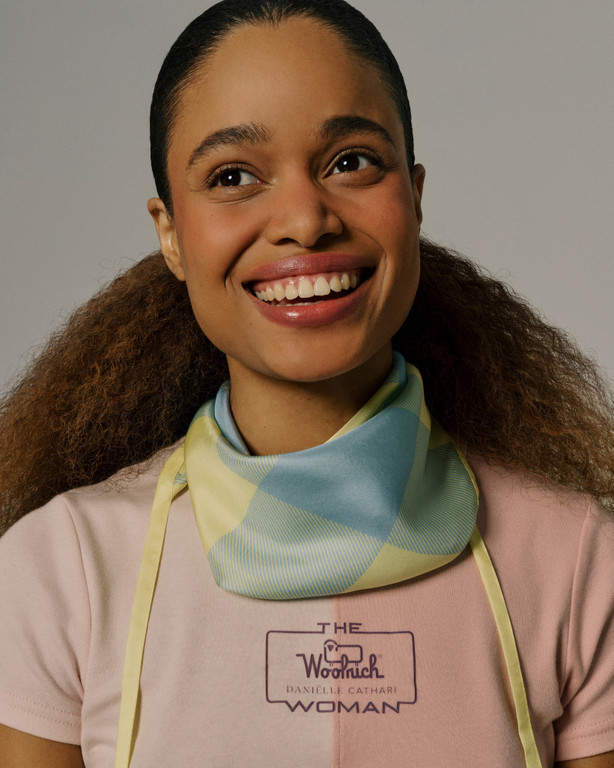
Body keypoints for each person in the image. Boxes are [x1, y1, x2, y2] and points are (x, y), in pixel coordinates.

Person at [0, 0, 612, 766]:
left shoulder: (576, 559)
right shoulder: (64, 570)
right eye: (233, 176)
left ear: (415, 196)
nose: (304, 219)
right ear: (171, 235)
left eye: (351, 162)